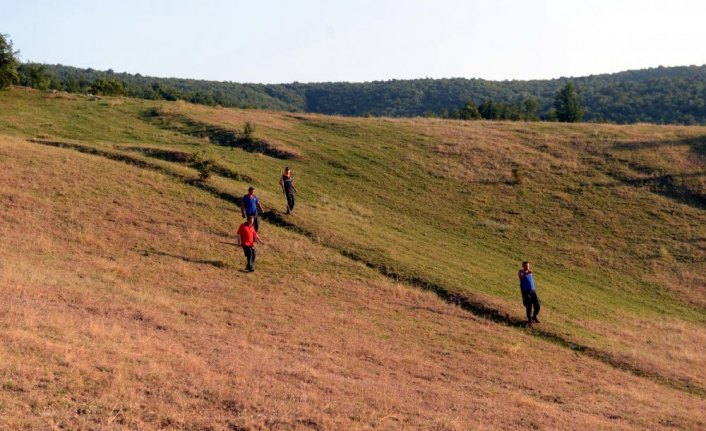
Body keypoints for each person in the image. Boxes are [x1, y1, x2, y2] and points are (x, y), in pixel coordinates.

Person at [518, 261, 540, 325]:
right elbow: (521, 277)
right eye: (526, 265)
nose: (527, 266)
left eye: (528, 265)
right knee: (529, 306)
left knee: (537, 305)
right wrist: (527, 273)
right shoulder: (521, 272)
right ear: (523, 266)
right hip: (526, 292)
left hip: (533, 291)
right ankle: (529, 320)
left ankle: (534, 316)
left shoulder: (530, 273)